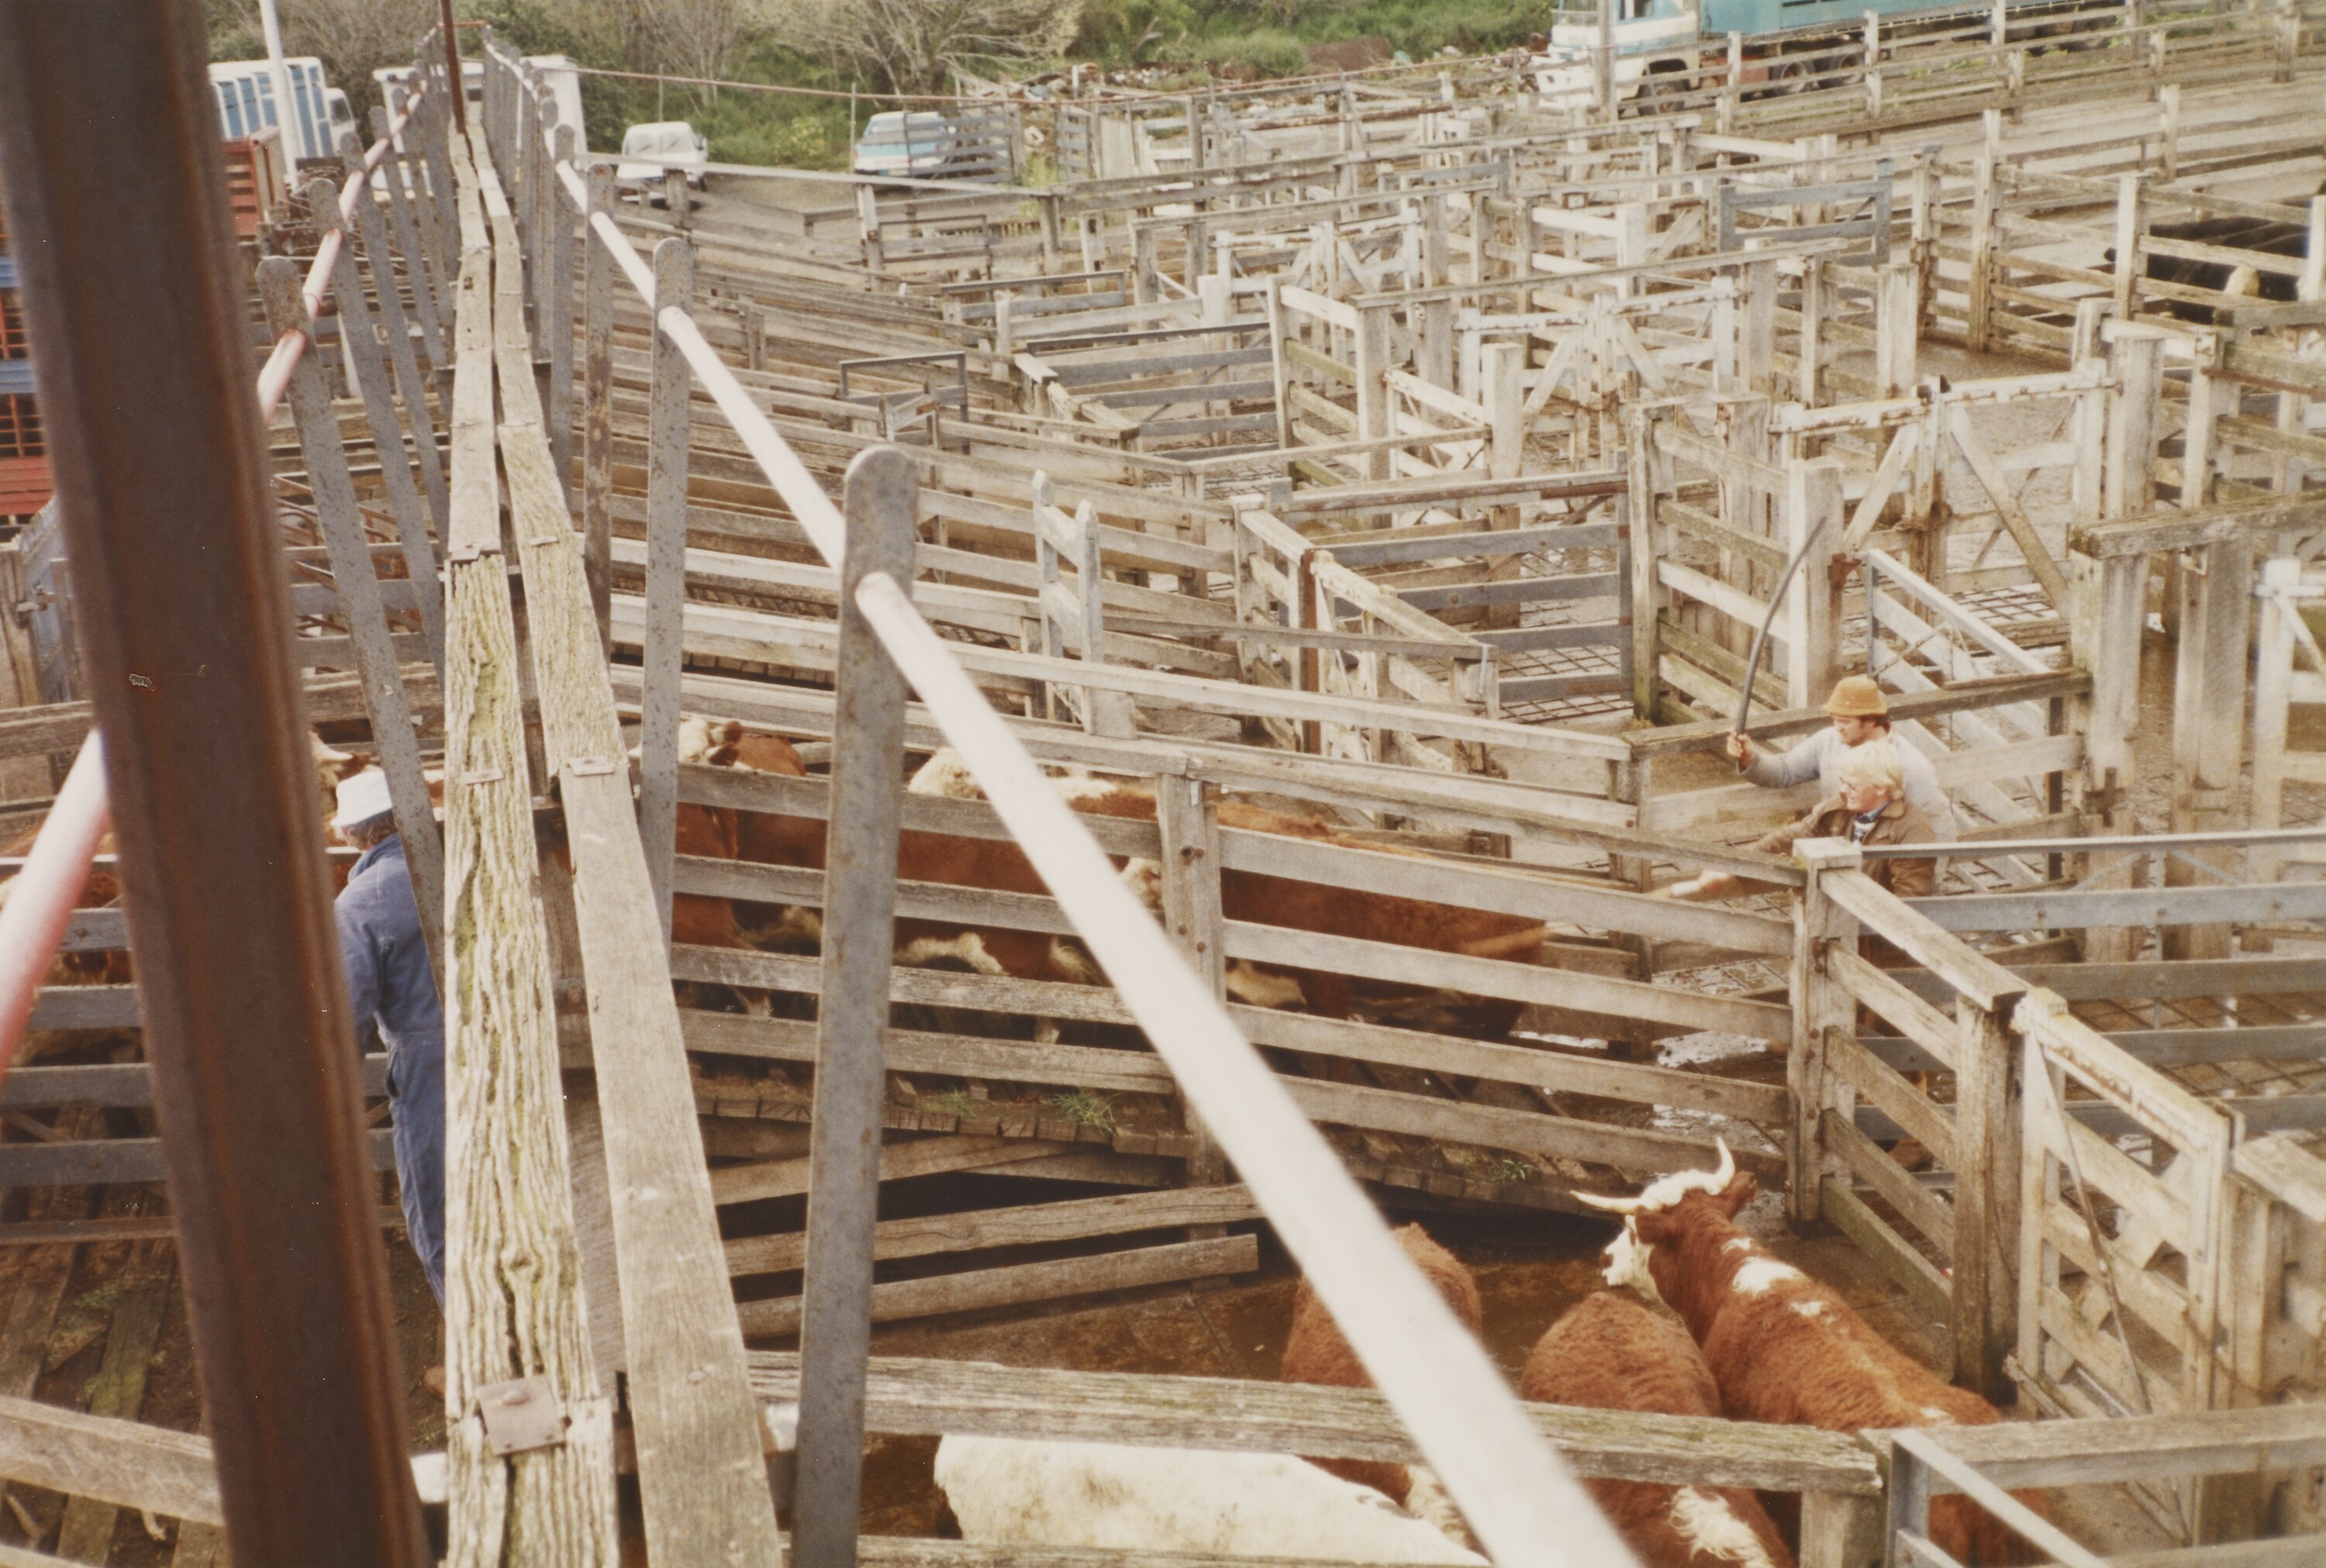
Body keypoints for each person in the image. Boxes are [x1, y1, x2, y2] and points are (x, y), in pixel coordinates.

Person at [331, 768, 445, 1311]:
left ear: (350, 834)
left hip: (429, 1063)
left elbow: (346, 1017)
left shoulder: (361, 901)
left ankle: (476, 1342)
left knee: (437, 1210)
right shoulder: (462, 864)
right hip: (505, 1037)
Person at [1665, 739, 1939, 903]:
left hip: (1877, 943)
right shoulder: (1839, 808)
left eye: (1853, 786)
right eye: (1843, 782)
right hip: (1833, 915)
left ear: (1881, 788)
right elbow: (1792, 836)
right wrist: (1733, 867)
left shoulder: (1912, 831)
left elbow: (1911, 902)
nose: (1843, 791)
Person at [1723, 674, 1955, 841]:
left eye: (1845, 722)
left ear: (1871, 720)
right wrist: (1749, 757)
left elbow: (1937, 824)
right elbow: (1784, 771)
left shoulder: (1911, 765)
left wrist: (1927, 883)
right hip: (1834, 849)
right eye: (1834, 720)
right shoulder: (1828, 740)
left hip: (1884, 863)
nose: (1837, 728)